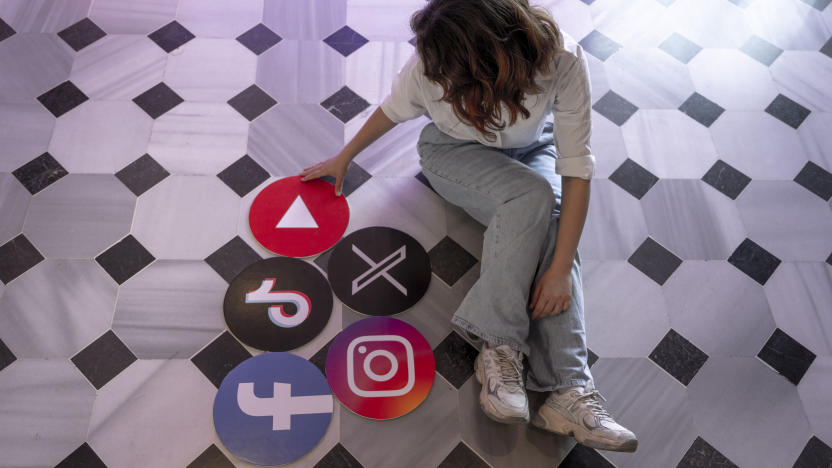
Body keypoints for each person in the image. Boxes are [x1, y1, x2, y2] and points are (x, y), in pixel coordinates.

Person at [300, 0, 637, 453]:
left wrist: (558, 270)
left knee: (552, 226)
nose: (441, 80)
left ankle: (568, 393)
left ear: (495, 62)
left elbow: (576, 167)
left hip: (531, 151)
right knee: (533, 198)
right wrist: (346, 156)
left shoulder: (563, 60)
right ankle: (500, 346)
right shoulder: (430, 64)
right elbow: (392, 110)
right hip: (453, 153)